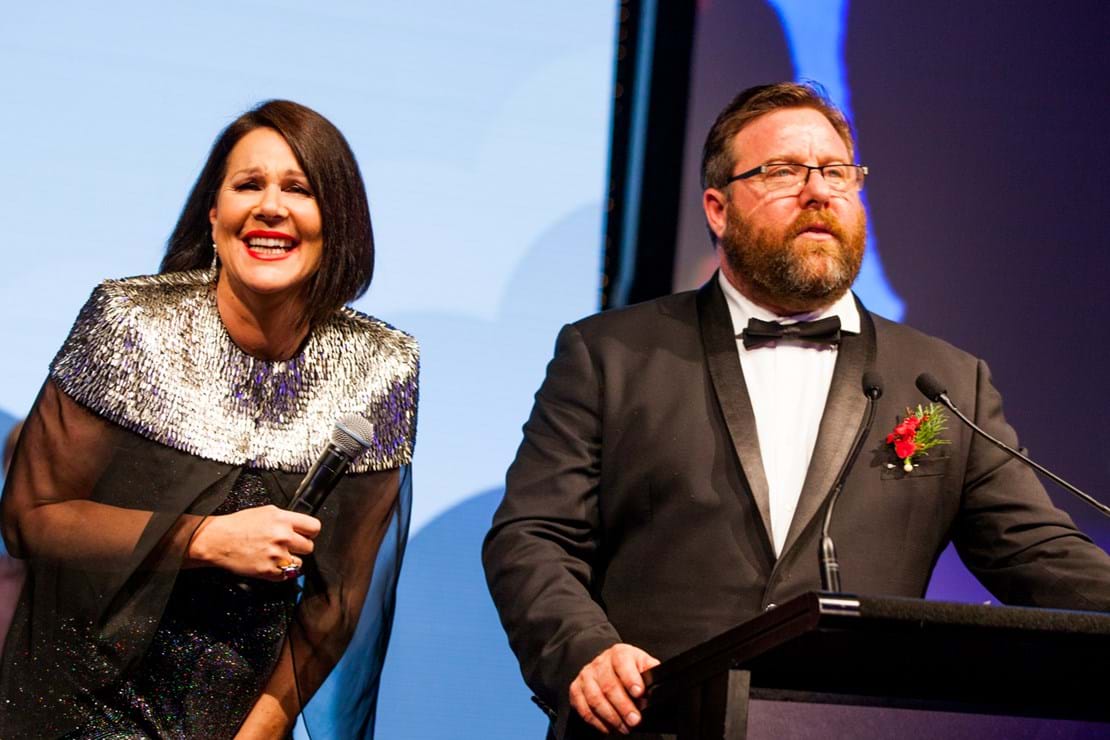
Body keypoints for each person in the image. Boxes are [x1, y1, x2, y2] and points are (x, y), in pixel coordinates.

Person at [481, 82, 1110, 736]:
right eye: (783, 171)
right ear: (718, 209)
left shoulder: (945, 381)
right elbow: (531, 537)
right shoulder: (609, 353)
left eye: (837, 171)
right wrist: (584, 650)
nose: (818, 191)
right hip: (652, 723)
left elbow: (1039, 553)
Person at [0, 100, 418, 739]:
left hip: (231, 718)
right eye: (248, 184)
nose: (270, 206)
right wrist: (205, 539)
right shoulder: (129, 324)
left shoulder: (381, 367)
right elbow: (32, 519)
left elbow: (335, 602)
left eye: (299, 189)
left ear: (337, 220)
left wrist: (260, 732)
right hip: (76, 704)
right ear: (214, 213)